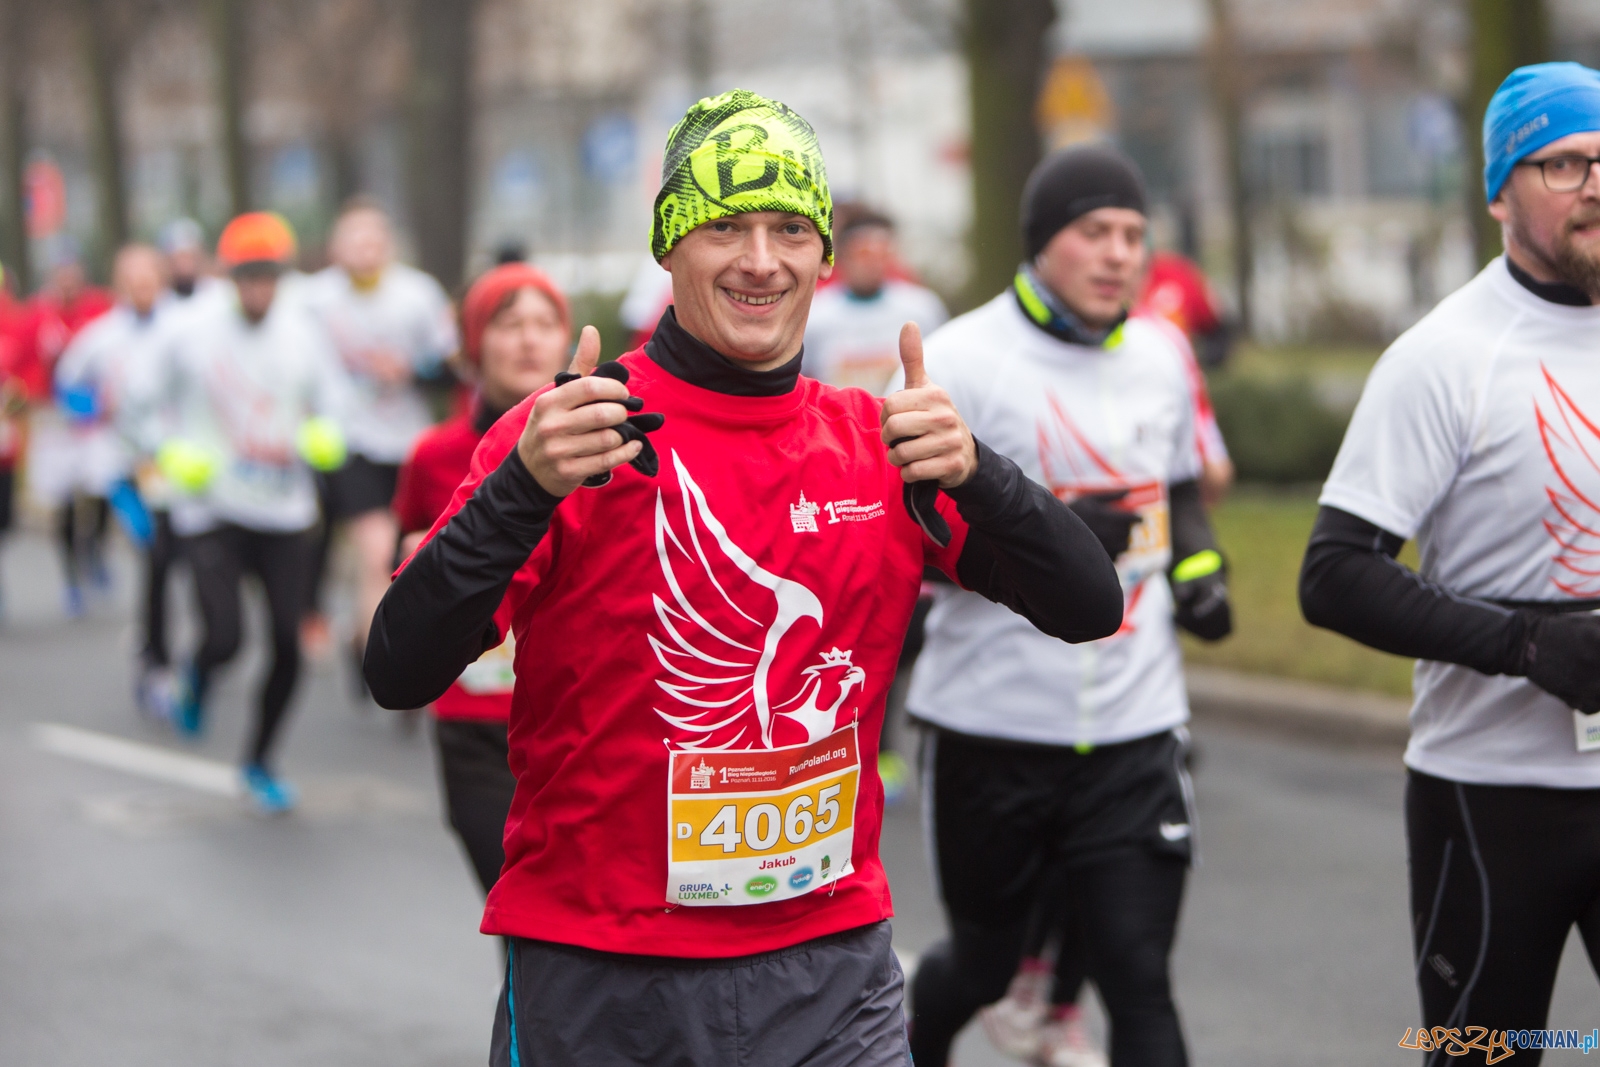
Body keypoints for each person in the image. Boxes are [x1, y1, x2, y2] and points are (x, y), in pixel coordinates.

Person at [364, 89, 1123, 1064]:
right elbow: (397, 665)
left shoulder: (873, 445)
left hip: (830, 972)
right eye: (725, 226)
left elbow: (1088, 603)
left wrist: (984, 471)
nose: (760, 260)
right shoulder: (572, 436)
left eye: (787, 230)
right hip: (605, 974)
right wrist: (520, 487)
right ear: (669, 247)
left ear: (822, 256)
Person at [904, 144, 1234, 1067]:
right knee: (981, 965)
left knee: (1138, 973)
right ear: (1043, 243)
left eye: (1134, 234)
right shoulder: (959, 359)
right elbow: (896, 543)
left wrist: (1201, 567)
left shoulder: (1163, 352)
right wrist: (1040, 537)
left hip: (1136, 726)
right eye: (1095, 232)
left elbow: (1180, 489)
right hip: (991, 725)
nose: (1120, 253)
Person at [1298, 63, 1600, 1064]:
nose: (1594, 182)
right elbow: (1333, 573)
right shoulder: (1445, 356)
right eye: (1562, 162)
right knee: (1488, 1052)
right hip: (1491, 798)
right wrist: (1523, 641)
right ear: (1498, 190)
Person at [124, 212, 346, 813]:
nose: (258, 288)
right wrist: (169, 451)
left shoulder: (304, 333)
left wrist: (323, 434)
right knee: (225, 638)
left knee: (287, 646)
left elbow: (333, 404)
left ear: (282, 276)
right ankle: (197, 674)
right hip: (211, 507)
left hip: (284, 510)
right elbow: (137, 404)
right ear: (227, 275)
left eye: (268, 275)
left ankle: (259, 761)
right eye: (247, 275)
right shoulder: (188, 330)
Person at [391, 263, 573, 896]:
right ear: (475, 343)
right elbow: (405, 552)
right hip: (476, 727)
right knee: (518, 907)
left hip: (573, 726)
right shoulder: (434, 455)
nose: (528, 340)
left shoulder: (603, 448)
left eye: (544, 324)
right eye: (509, 324)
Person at [301, 199, 457, 690]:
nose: (365, 252)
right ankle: (379, 659)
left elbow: (452, 367)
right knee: (374, 551)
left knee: (406, 552)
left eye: (374, 241)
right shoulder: (312, 301)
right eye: (354, 241)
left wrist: (410, 371)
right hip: (347, 442)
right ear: (336, 249)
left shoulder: (417, 295)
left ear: (387, 247)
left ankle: (364, 633)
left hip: (407, 442)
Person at [54, 244, 168, 671]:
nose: (141, 284)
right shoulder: (100, 337)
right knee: (156, 551)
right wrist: (95, 407)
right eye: (132, 276)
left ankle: (159, 637)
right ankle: (154, 647)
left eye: (149, 274)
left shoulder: (183, 327)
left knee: (177, 558)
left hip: (175, 467)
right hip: (124, 469)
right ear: (119, 283)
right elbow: (65, 390)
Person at [24, 254, 120, 615]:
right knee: (62, 500)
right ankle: (71, 576)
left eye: (72, 276)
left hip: (95, 420)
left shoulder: (100, 309)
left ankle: (95, 548)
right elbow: (22, 364)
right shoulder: (37, 316)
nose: (66, 283)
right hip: (54, 420)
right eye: (60, 276)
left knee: (102, 485)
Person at [802, 208, 948, 395]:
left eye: (881, 252)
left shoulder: (922, 308)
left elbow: (941, 369)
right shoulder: (815, 313)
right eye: (863, 252)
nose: (872, 262)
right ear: (843, 255)